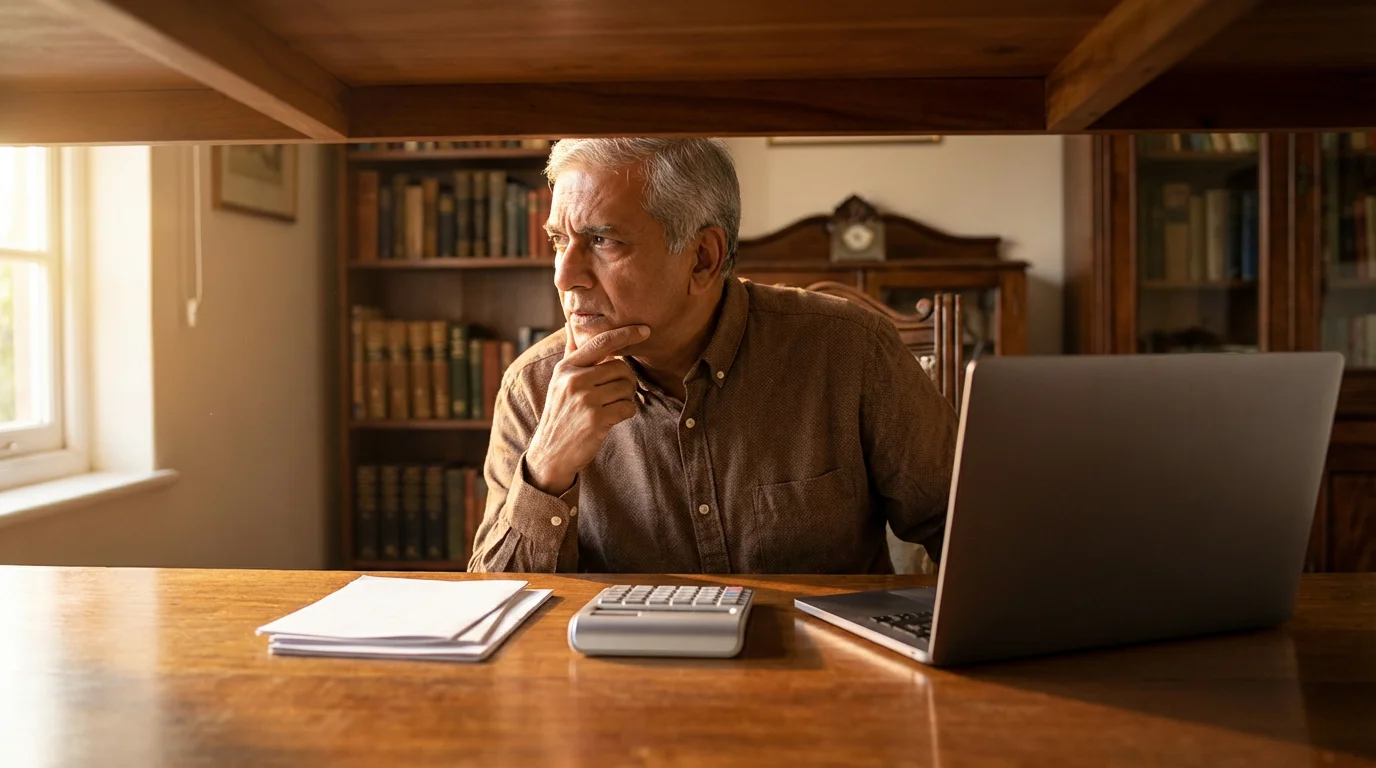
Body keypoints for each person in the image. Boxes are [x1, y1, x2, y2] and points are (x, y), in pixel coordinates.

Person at [468, 138, 956, 573]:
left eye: (602, 240)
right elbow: (495, 605)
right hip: (622, 673)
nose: (564, 275)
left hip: (828, 668)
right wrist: (547, 469)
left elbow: (967, 531)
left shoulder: (849, 350)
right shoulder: (532, 388)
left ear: (703, 258)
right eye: (558, 240)